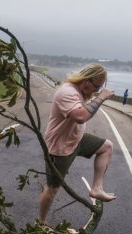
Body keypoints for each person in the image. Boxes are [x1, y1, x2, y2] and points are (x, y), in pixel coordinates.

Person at [39, 64, 116, 225]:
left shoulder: (80, 91)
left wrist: (95, 95)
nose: (96, 91)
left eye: (99, 88)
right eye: (96, 87)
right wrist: (101, 97)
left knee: (106, 146)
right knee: (52, 189)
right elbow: (80, 116)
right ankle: (41, 223)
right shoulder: (67, 92)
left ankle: (96, 189)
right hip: (59, 148)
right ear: (86, 80)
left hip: (76, 140)